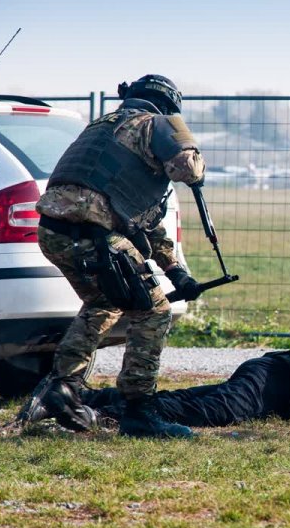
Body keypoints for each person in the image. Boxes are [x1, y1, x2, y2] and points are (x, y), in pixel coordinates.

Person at [16, 75, 206, 438]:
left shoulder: (102, 128)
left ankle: (63, 388)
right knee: (153, 312)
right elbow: (189, 169)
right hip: (96, 237)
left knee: (102, 303)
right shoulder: (156, 124)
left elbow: (141, 220)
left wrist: (175, 270)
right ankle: (139, 412)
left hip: (53, 232)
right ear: (167, 106)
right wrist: (183, 138)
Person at [20, 337, 290, 428]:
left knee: (191, 398)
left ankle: (83, 397)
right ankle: (101, 415)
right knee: (208, 411)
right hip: (276, 380)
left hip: (275, 382)